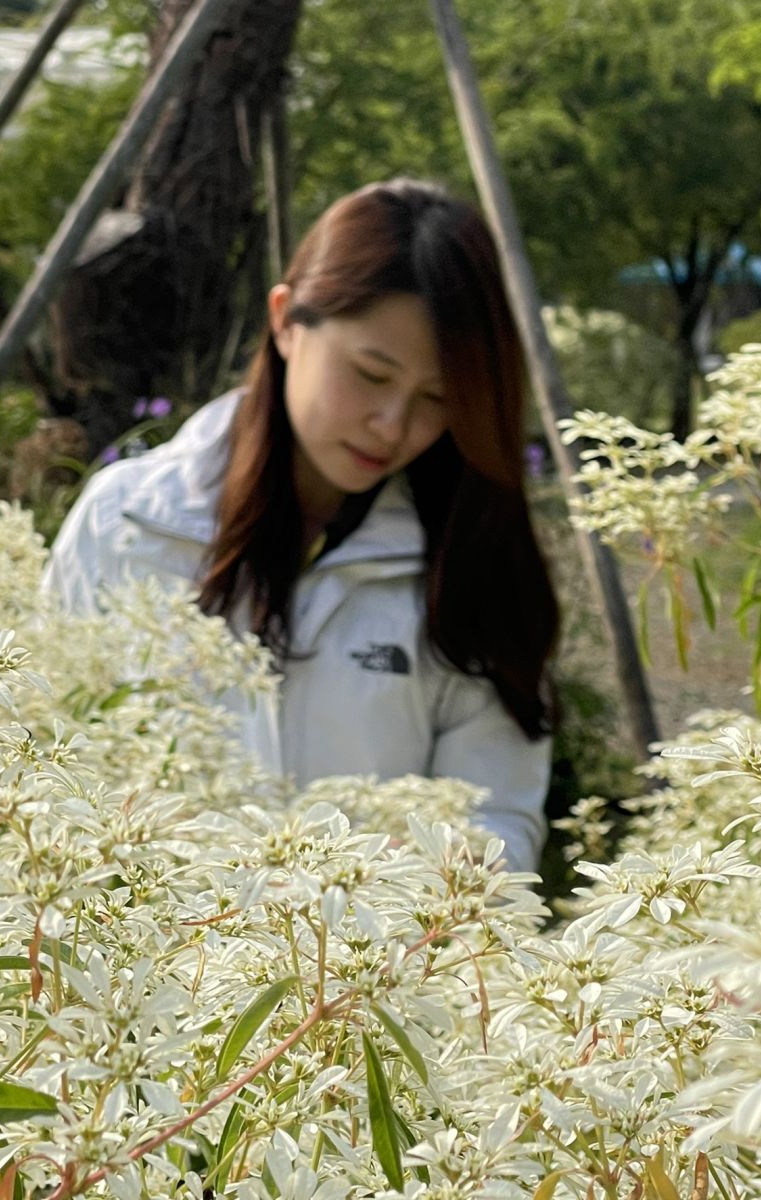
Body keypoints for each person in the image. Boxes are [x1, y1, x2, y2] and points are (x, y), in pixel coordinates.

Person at [43, 179, 560, 873]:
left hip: (371, 975)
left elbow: (497, 825)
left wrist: (439, 887)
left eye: (437, 399)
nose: (394, 426)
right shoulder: (127, 522)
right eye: (371, 374)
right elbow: (43, 760)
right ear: (286, 321)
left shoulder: (465, 560)